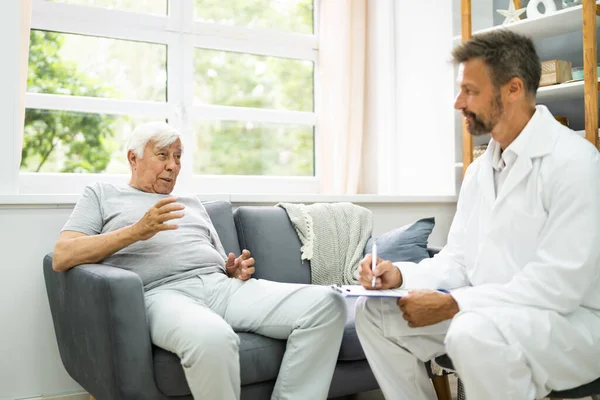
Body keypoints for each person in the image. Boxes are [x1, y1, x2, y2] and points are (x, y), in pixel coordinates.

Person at [354, 30, 600, 400]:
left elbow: (557, 288)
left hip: (571, 325)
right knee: (373, 313)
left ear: (513, 89)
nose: (458, 102)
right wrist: (400, 275)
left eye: (470, 90)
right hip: (488, 312)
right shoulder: (479, 171)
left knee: (471, 331)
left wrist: (455, 304)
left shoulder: (576, 163)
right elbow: (458, 260)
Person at [52, 121, 347, 400]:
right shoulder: (103, 194)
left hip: (221, 288)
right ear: (133, 158)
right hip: (162, 294)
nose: (173, 166)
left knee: (326, 304)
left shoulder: (191, 203)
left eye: (178, 157)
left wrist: (232, 270)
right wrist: (135, 232)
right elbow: (63, 255)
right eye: (163, 155)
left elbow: (220, 263)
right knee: (213, 338)